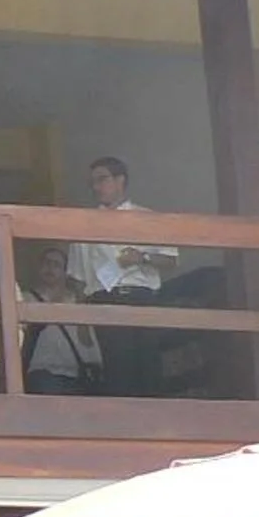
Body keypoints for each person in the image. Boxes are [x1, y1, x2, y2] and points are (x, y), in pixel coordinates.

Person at [69, 155, 173, 395]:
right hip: (105, 299)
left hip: (142, 297)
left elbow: (170, 260)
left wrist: (141, 258)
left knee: (149, 366)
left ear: (120, 180)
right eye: (92, 182)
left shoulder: (147, 218)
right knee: (117, 368)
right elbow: (78, 278)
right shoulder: (83, 224)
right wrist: (81, 320)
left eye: (102, 179)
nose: (96, 187)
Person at [23, 243, 102, 396]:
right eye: (46, 263)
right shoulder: (25, 299)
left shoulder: (76, 301)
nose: (50, 268)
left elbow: (88, 342)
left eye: (56, 265)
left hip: (76, 375)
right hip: (42, 372)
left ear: (66, 272)